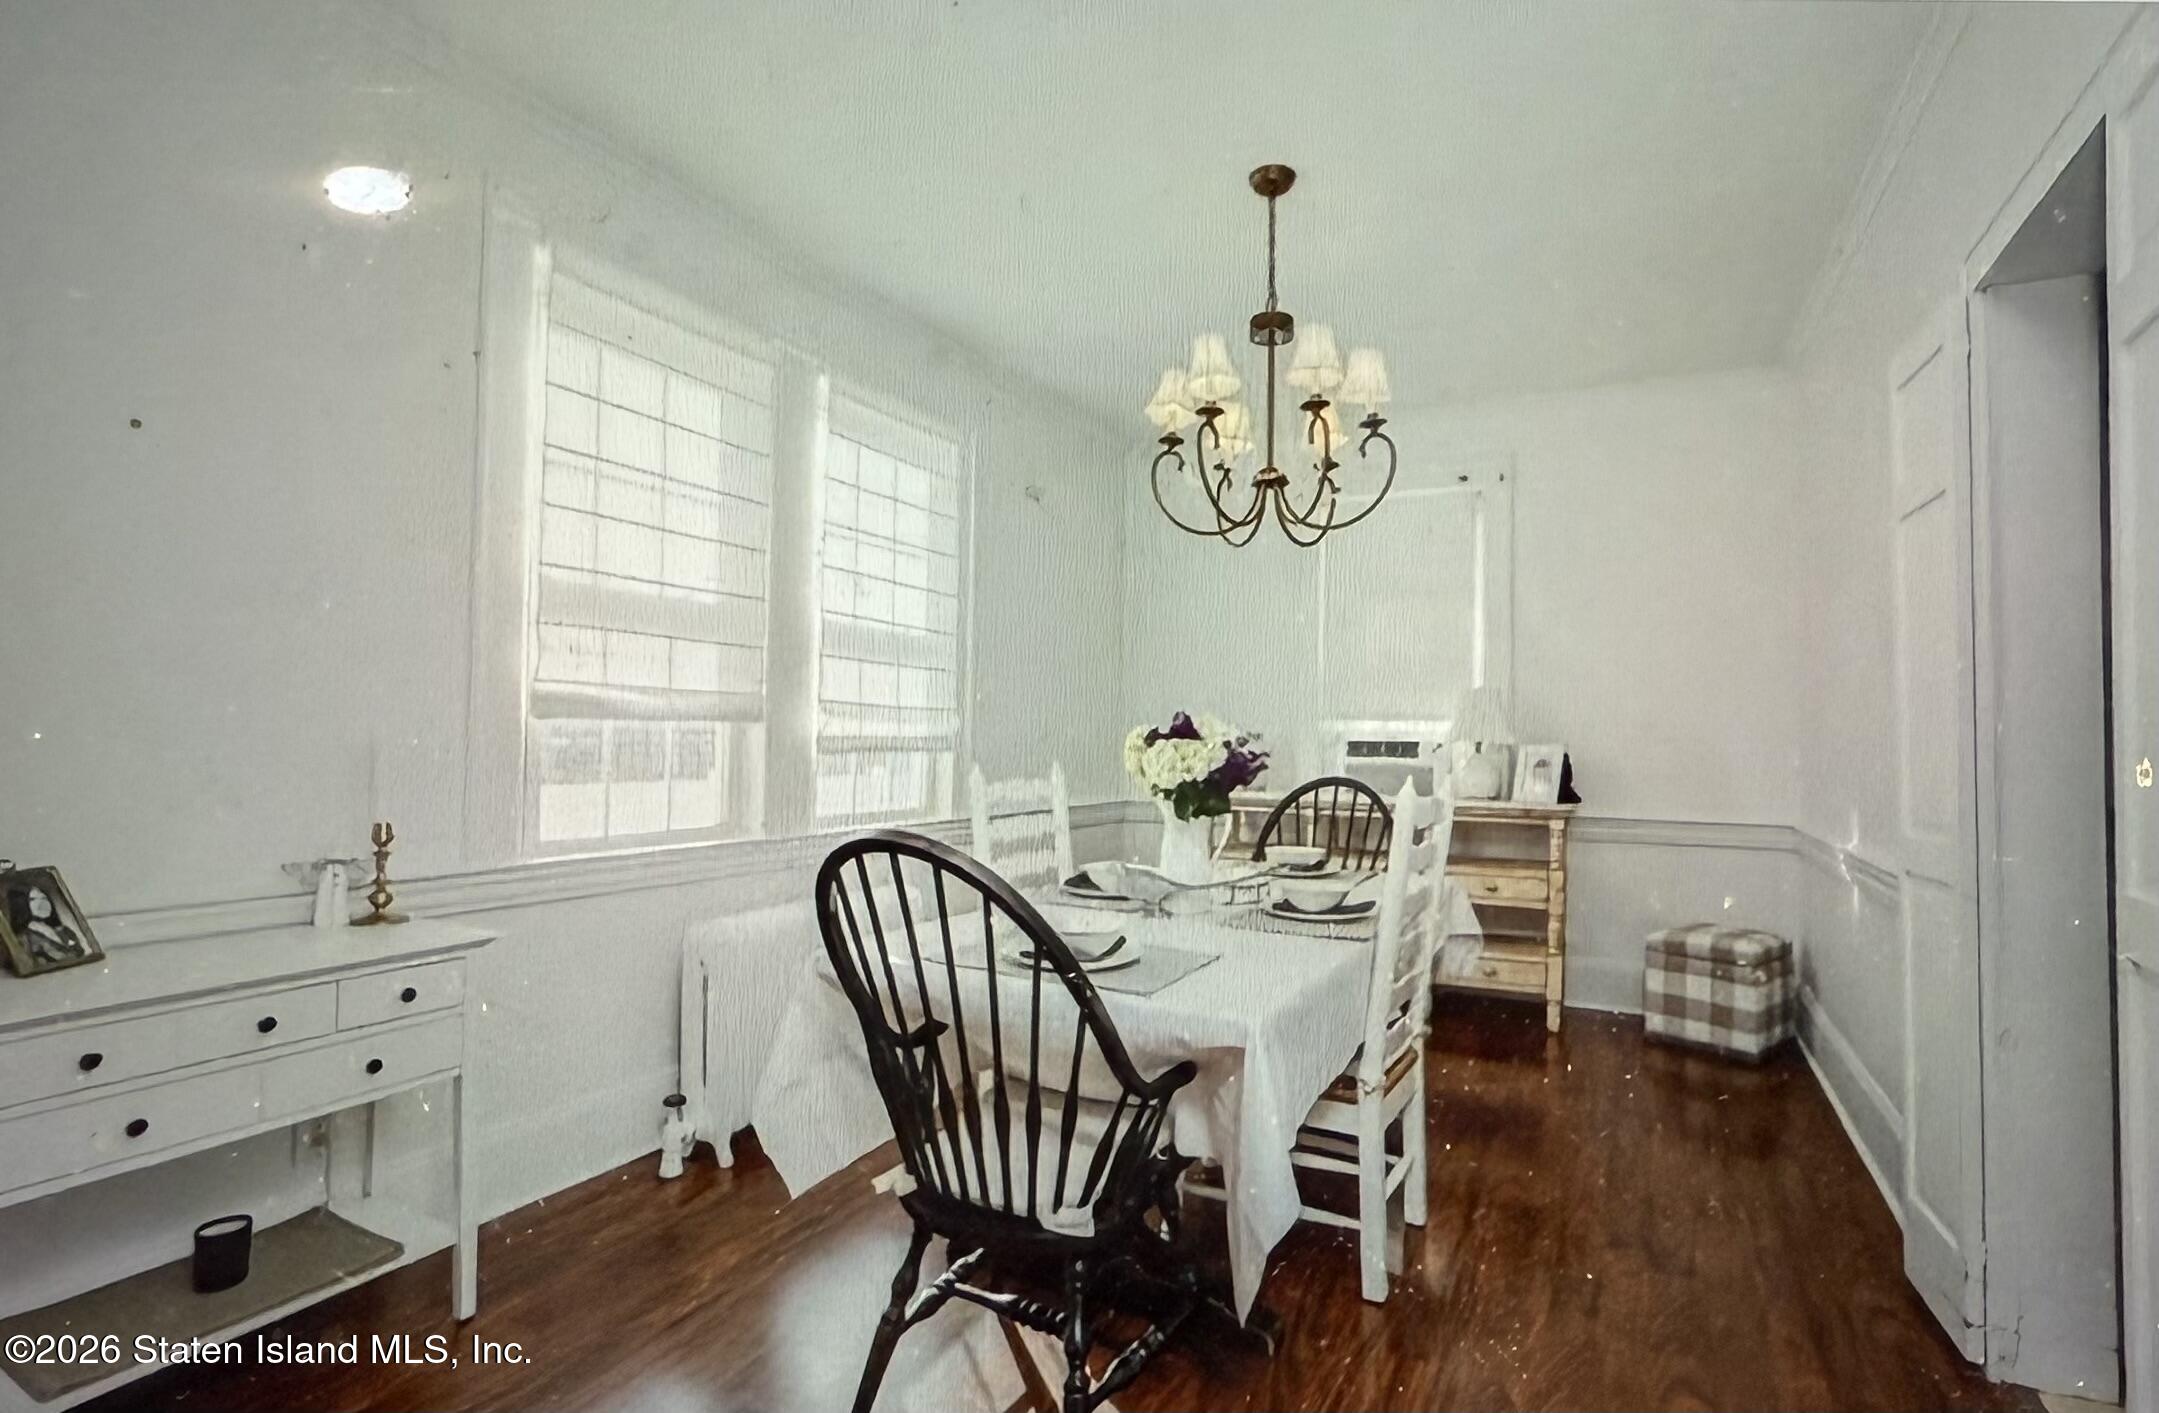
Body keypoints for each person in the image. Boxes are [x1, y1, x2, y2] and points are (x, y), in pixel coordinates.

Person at [13, 883, 86, 964]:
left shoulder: (64, 930)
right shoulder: (25, 936)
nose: (41, 903)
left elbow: (80, 951)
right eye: (33, 899)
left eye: (44, 898)